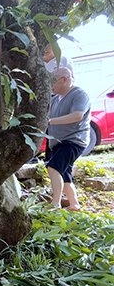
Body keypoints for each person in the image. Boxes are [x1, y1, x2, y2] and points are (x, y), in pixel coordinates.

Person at [46, 67, 90, 211]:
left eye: (53, 81)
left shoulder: (79, 94)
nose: (51, 84)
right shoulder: (55, 99)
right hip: (58, 142)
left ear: (65, 79)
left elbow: (77, 115)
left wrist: (50, 121)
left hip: (73, 140)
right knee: (64, 174)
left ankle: (55, 204)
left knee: (53, 168)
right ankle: (74, 205)